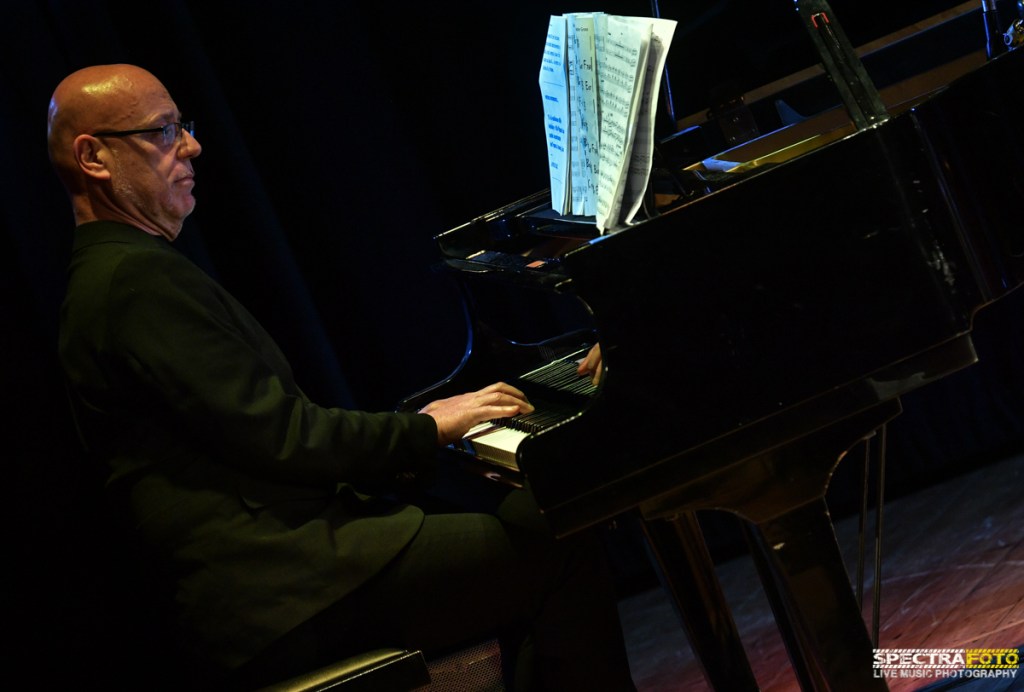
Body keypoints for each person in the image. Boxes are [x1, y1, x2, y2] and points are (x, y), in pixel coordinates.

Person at [48, 63, 632, 690]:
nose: (191, 145)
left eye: (183, 125)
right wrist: (424, 430)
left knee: (531, 519)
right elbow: (286, 439)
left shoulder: (118, 272)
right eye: (163, 131)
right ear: (94, 157)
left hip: (282, 573)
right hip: (285, 592)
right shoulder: (133, 280)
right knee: (559, 542)